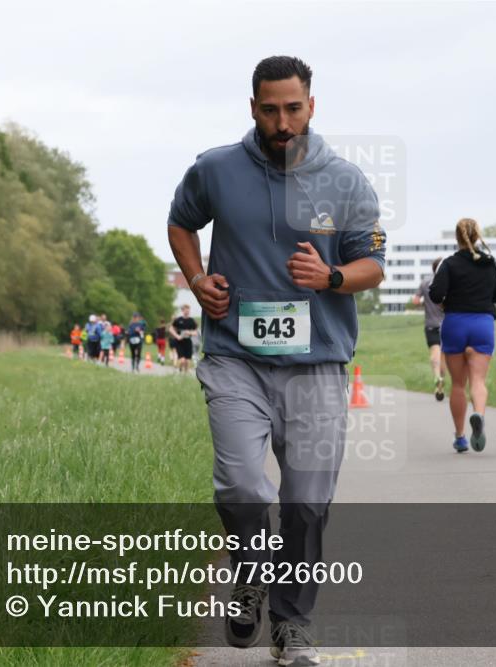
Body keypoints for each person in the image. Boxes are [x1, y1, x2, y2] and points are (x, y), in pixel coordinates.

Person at [167, 55, 385, 664]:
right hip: (235, 356)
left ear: (311, 106)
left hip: (317, 363)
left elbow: (372, 266)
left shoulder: (345, 181)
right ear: (253, 107)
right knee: (240, 481)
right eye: (270, 109)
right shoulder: (215, 169)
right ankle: (250, 571)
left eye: (293, 108)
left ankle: (293, 625)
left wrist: (332, 274)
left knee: (307, 501)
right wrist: (196, 278)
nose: (282, 121)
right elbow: (181, 224)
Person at [428, 218, 496, 453]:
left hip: (455, 324)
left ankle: (461, 436)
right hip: (482, 324)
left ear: (457, 238)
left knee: (458, 385)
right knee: (479, 381)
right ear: (477, 236)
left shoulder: (449, 264)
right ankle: (479, 415)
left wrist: (449, 296)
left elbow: (435, 294)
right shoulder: (489, 262)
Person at [413, 258, 447, 401]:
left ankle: (436, 376)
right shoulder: (447, 283)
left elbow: (415, 301)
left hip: (430, 324)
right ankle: (440, 384)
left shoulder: (425, 282)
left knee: (435, 352)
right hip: (446, 325)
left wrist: (425, 305)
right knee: (444, 356)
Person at [169, 305, 197, 374]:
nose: (187, 311)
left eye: (188, 310)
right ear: (182, 310)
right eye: (185, 310)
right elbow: (170, 329)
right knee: (182, 360)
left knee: (187, 361)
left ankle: (185, 374)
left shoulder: (191, 321)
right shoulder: (178, 320)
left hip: (188, 342)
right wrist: (177, 336)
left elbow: (195, 332)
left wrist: (189, 332)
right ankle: (180, 369)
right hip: (179, 342)